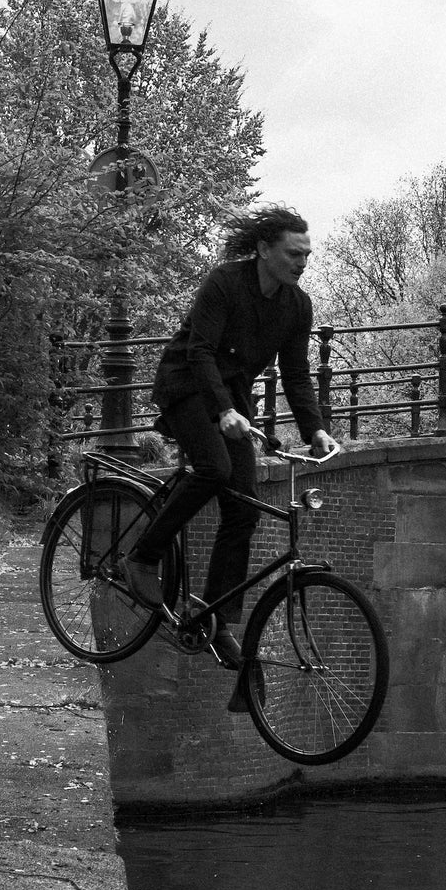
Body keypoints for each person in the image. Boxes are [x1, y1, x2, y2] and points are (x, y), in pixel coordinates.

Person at [123, 205, 341, 669]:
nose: (302, 262)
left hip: (231, 398)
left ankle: (214, 619)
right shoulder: (225, 282)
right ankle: (143, 556)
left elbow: (297, 373)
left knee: (243, 505)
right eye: (292, 253)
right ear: (264, 249)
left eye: (307, 254)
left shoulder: (296, 305)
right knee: (214, 469)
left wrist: (316, 428)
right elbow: (200, 351)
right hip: (187, 384)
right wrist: (223, 410)